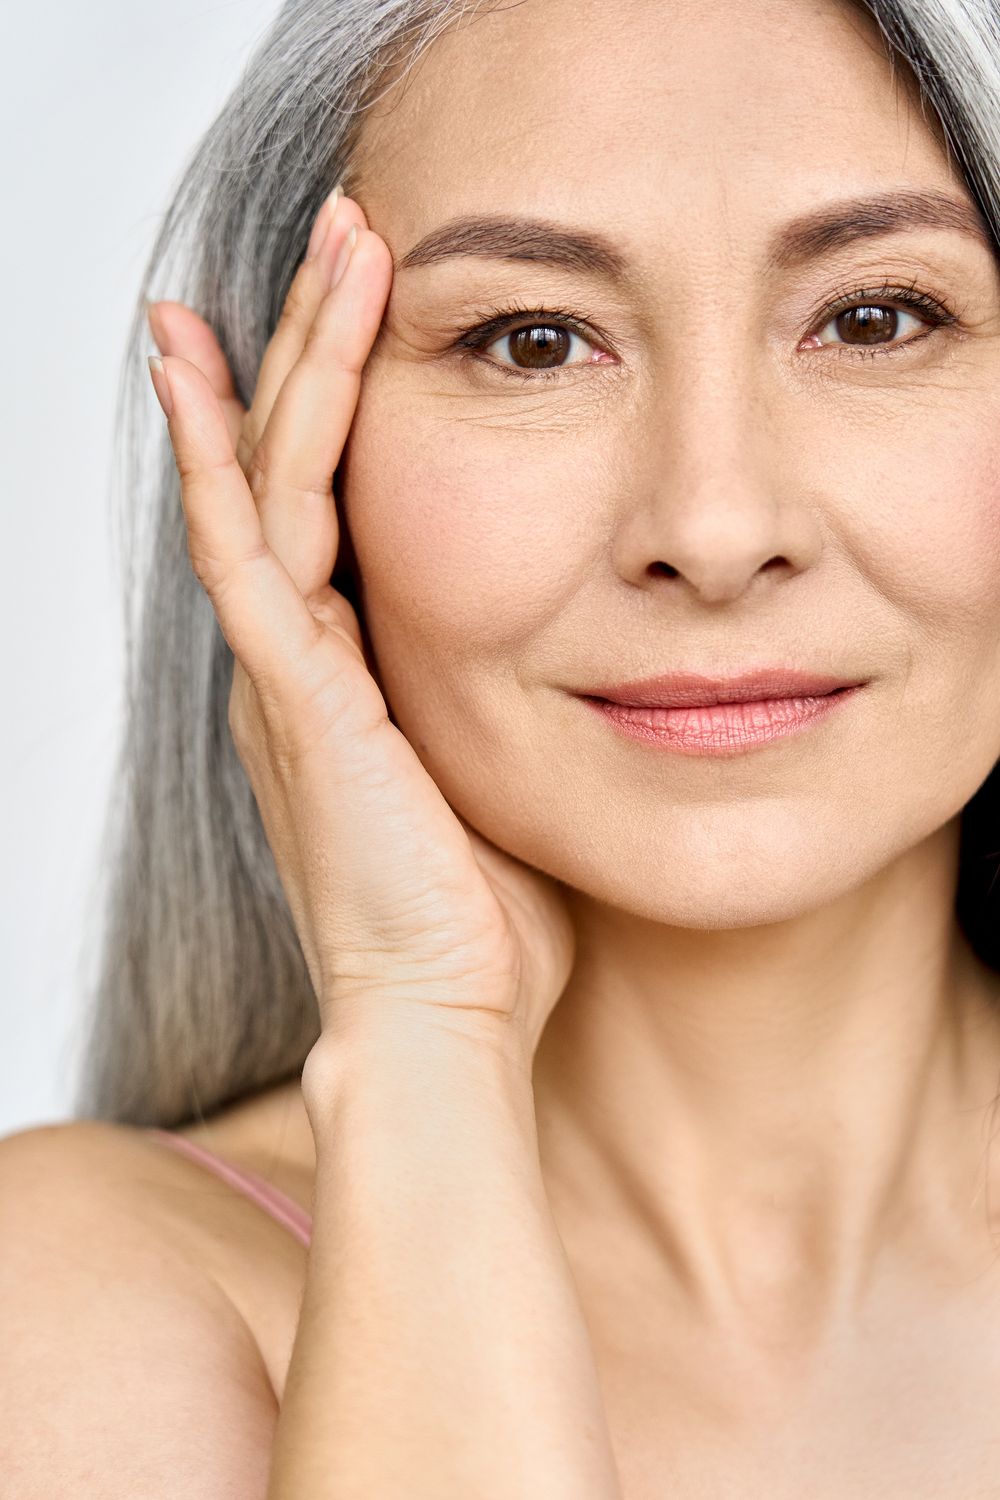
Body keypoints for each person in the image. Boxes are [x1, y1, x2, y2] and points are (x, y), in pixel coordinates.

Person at [5, 0, 1000, 1491]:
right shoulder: (75, 1310)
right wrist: (424, 1033)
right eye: (533, 341)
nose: (715, 531)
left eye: (877, 317)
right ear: (308, 456)